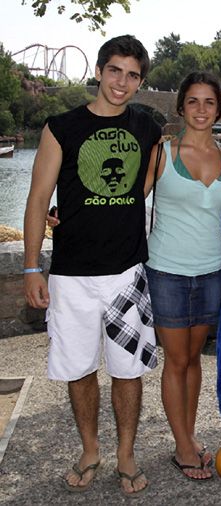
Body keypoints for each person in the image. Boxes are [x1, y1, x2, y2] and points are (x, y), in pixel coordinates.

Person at [23, 35, 162, 497]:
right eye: (115, 70)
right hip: (70, 274)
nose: (122, 82)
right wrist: (30, 267)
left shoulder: (148, 128)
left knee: (128, 370)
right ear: (100, 71)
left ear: (141, 81)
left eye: (133, 74)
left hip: (126, 272)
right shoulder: (60, 126)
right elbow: (38, 198)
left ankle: (126, 453)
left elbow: (143, 185)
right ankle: (89, 448)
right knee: (79, 368)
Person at [143, 71, 221, 480]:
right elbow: (124, 202)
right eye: (193, 102)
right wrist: (69, 217)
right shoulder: (162, 152)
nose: (201, 110)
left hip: (211, 271)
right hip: (166, 271)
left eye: (209, 102)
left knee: (194, 359)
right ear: (181, 108)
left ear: (219, 109)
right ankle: (183, 447)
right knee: (176, 360)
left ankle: (189, 434)